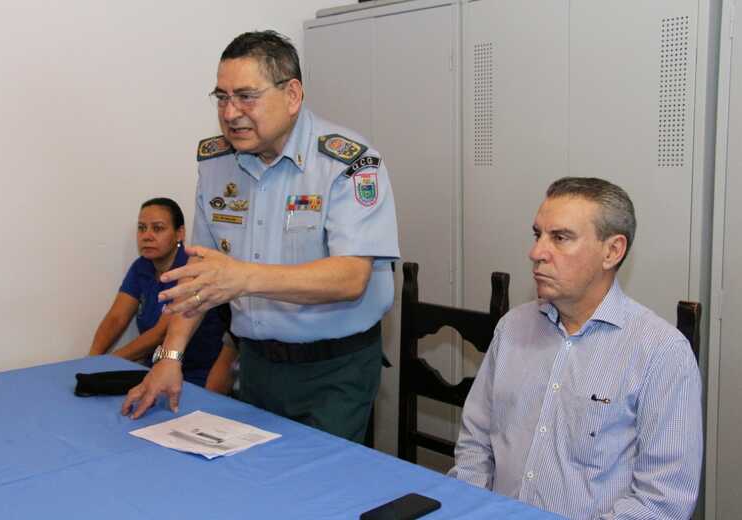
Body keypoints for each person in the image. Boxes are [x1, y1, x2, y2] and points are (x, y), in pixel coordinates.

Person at [121, 31, 400, 443]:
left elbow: (350, 277)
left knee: (316, 496)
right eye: (221, 98)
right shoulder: (218, 164)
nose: (231, 113)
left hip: (333, 371)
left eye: (246, 97)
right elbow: (202, 275)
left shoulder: (349, 162)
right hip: (254, 366)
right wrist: (170, 356)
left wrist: (244, 277)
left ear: (292, 95)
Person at [449, 177, 702, 519]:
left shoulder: (661, 353)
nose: (536, 252)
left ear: (612, 251)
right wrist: (468, 508)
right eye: (538, 234)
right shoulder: (513, 328)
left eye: (560, 238)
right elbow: (476, 444)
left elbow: (661, 503)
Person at [89, 197, 225, 387]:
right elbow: (116, 318)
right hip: (151, 373)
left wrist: (107, 363)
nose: (147, 235)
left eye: (158, 228)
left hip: (197, 378)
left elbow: (161, 334)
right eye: (142, 228)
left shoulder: (191, 270)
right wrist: (91, 359)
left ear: (180, 234)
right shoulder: (141, 267)